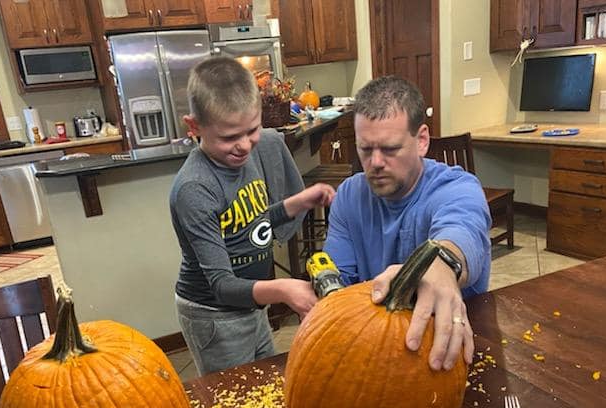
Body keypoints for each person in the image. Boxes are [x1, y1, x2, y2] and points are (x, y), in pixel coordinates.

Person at [170, 57, 334, 375]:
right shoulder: (194, 188)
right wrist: (283, 289)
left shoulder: (242, 159)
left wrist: (297, 202)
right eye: (230, 137)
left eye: (253, 130)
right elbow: (221, 284)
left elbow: (250, 221)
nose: (244, 146)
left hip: (250, 303)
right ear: (194, 127)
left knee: (264, 382)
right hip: (215, 315)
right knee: (235, 403)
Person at [323, 75, 491, 372]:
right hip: (371, 354)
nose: (375, 163)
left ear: (422, 140)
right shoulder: (349, 195)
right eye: (365, 149)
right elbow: (339, 286)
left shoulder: (457, 188)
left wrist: (440, 265)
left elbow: (462, 228)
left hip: (446, 358)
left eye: (389, 149)